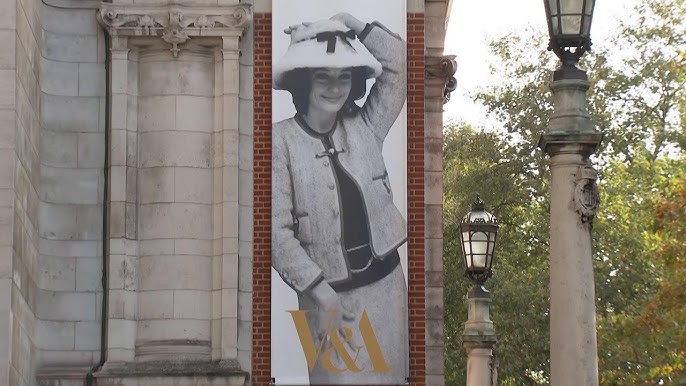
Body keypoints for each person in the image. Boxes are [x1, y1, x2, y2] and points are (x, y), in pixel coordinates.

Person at [272, 12, 407, 384]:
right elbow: (275, 231)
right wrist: (319, 291)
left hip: (388, 291)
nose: (335, 87)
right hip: (325, 302)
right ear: (303, 81)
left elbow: (400, 66)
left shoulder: (367, 126)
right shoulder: (278, 142)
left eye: (344, 76)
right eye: (323, 76)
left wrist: (356, 25)